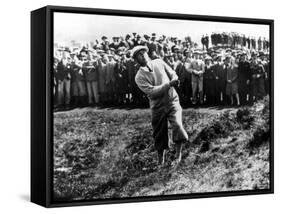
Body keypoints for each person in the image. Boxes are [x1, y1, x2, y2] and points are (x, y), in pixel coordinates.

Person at [132, 46, 189, 166]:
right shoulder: (139, 77)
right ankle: (161, 161)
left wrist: (174, 78)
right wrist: (169, 84)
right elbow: (152, 91)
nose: (143, 56)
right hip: (157, 106)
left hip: (172, 100)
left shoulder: (159, 62)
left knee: (178, 125)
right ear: (136, 60)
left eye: (144, 53)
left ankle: (178, 156)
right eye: (139, 56)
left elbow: (172, 72)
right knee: (159, 133)